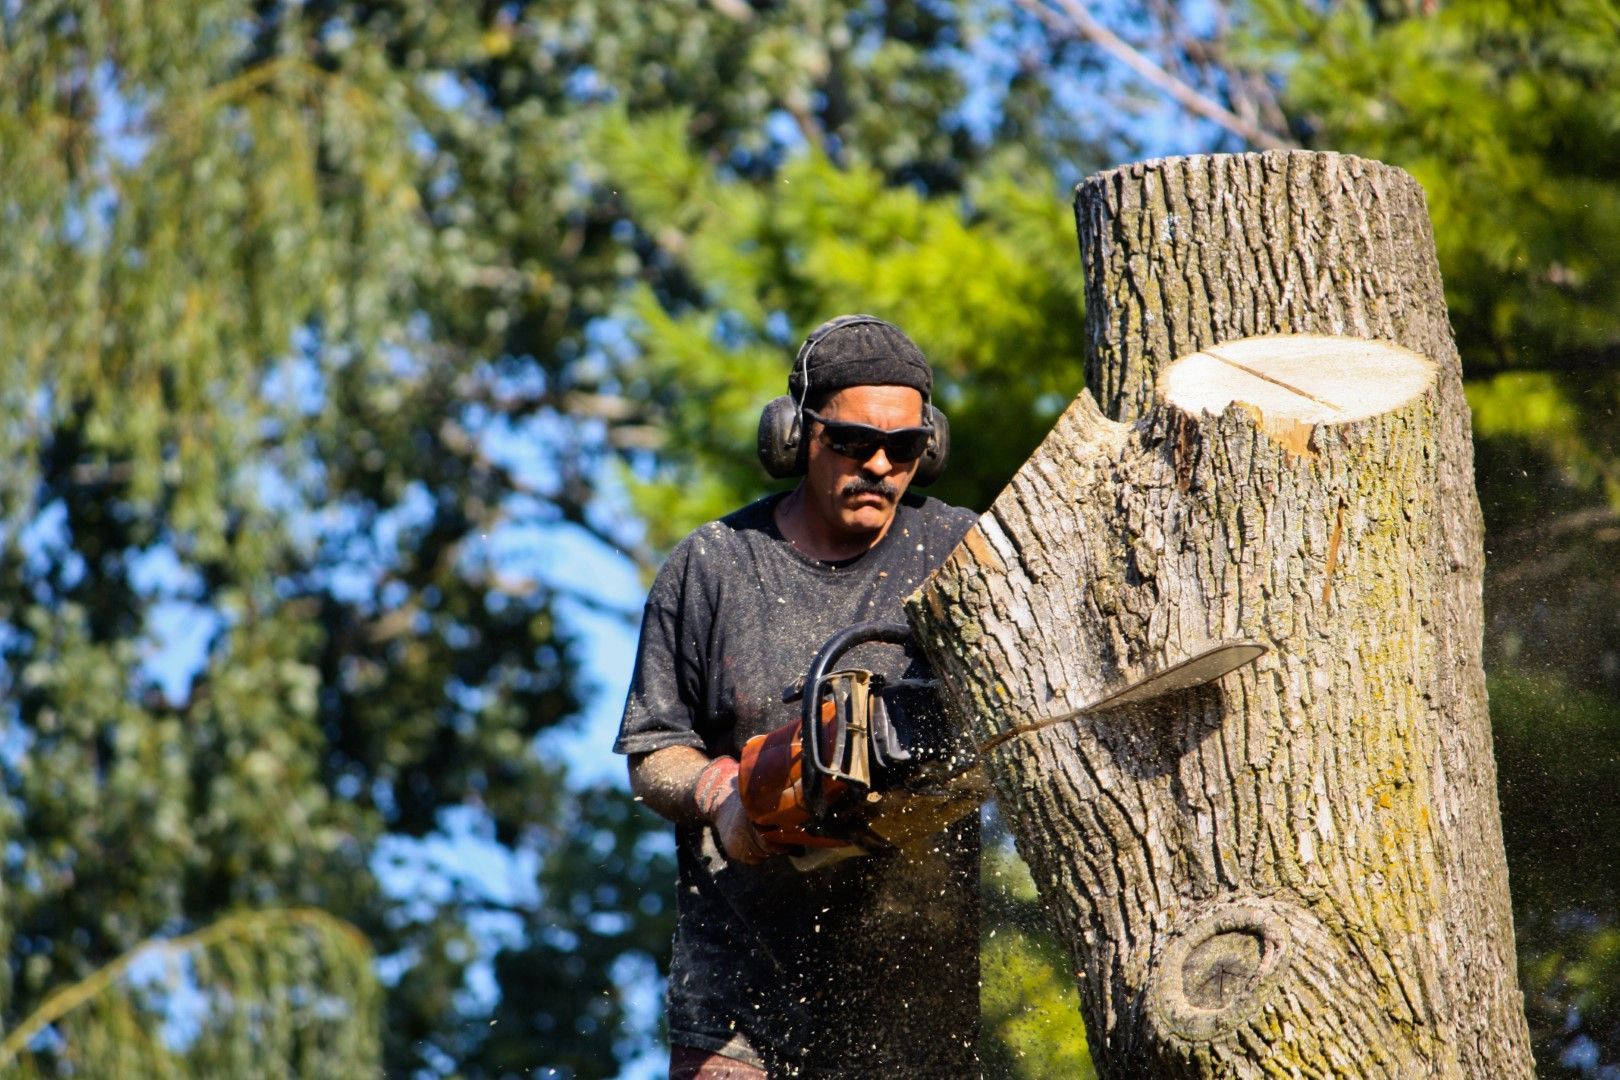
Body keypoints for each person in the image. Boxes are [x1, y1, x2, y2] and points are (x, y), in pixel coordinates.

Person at [614, 315, 981, 1078]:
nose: (880, 464)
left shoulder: (963, 555)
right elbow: (653, 752)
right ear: (795, 436)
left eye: (904, 448)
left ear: (930, 448)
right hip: (739, 987)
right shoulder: (713, 565)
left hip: (913, 986)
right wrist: (725, 795)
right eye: (853, 442)